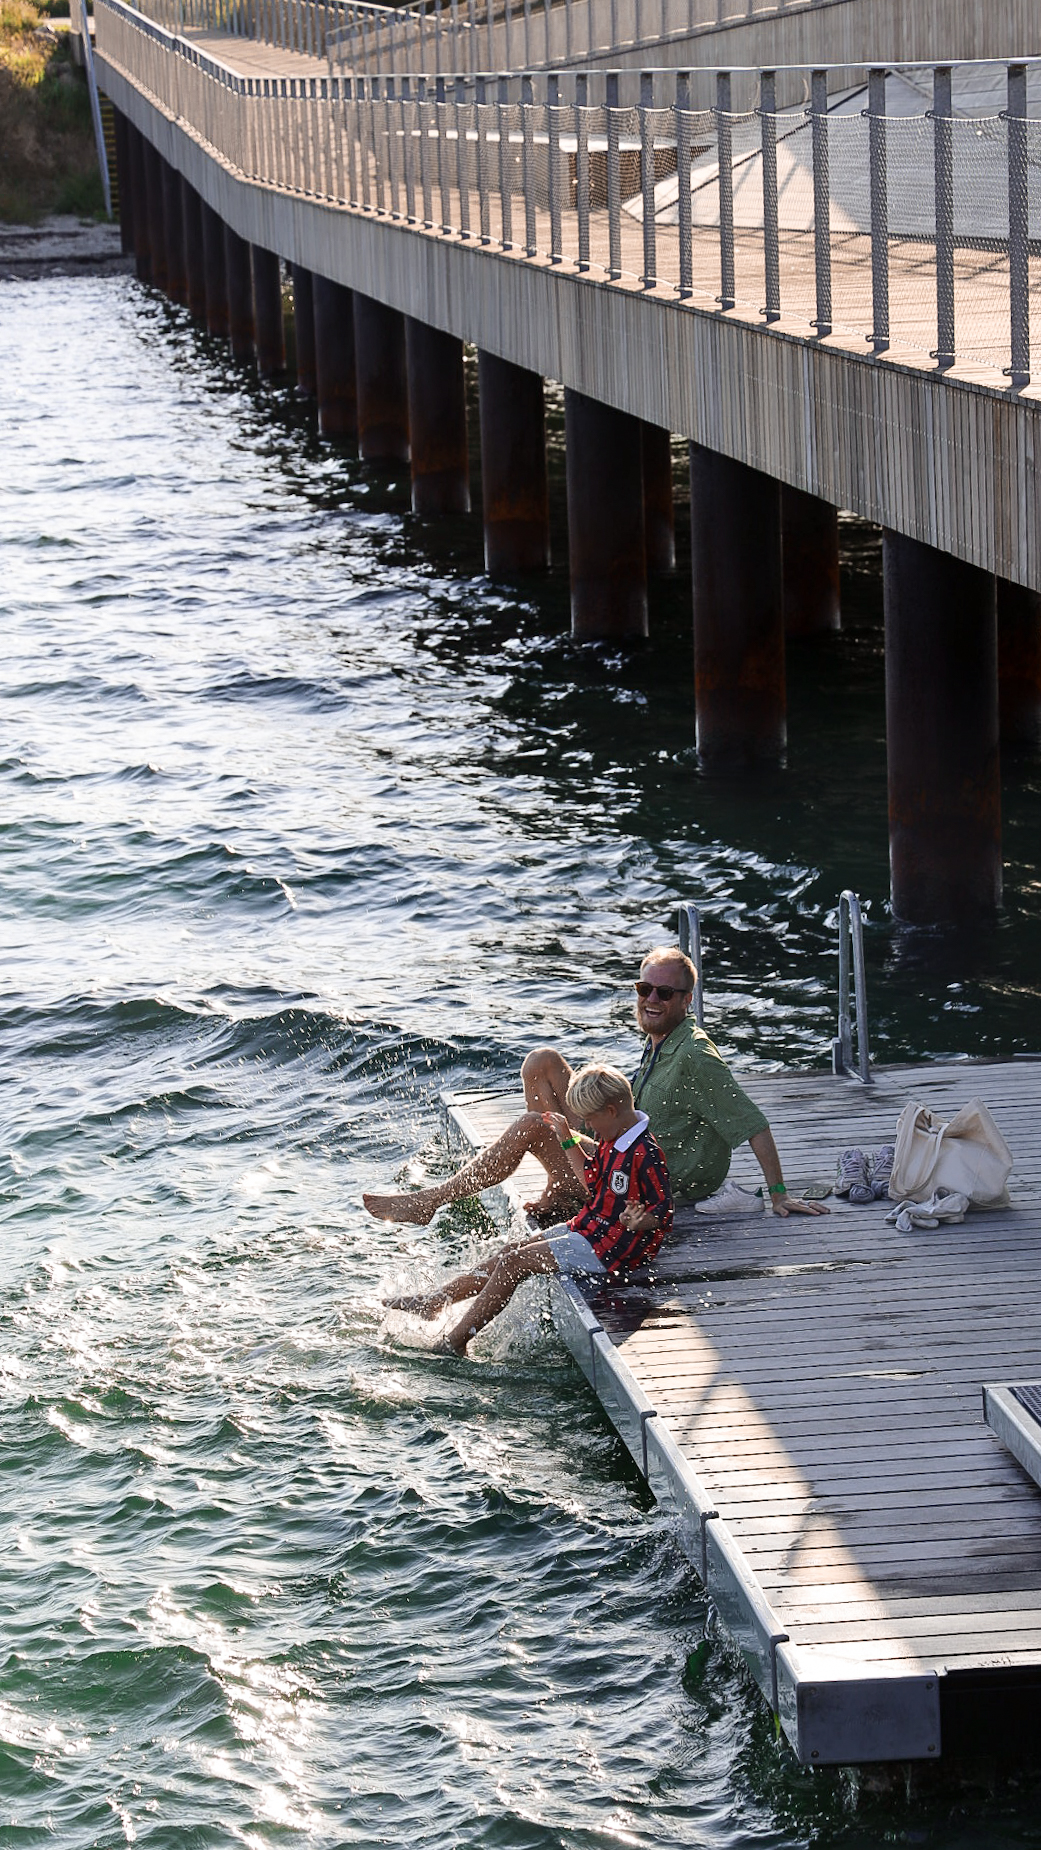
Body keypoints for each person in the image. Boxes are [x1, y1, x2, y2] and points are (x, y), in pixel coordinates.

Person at [384, 1064, 672, 1355]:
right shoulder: (614, 1139)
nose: (587, 1128)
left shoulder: (644, 1152)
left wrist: (642, 1221)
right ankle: (436, 1302)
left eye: (589, 1120)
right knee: (508, 1252)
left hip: (613, 1249)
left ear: (610, 1111)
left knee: (514, 1263)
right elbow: (591, 1177)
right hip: (590, 1228)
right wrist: (565, 1137)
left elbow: (664, 1211)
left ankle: (455, 1342)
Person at [522, 945, 828, 1218]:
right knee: (541, 1062)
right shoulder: (661, 1035)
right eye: (645, 989)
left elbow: (752, 1123)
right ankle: (561, 1184)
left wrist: (779, 1194)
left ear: (687, 1000)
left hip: (642, 1170)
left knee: (534, 1126)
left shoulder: (695, 1055)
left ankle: (477, 1184)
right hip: (620, 1139)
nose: (651, 999)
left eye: (665, 993)